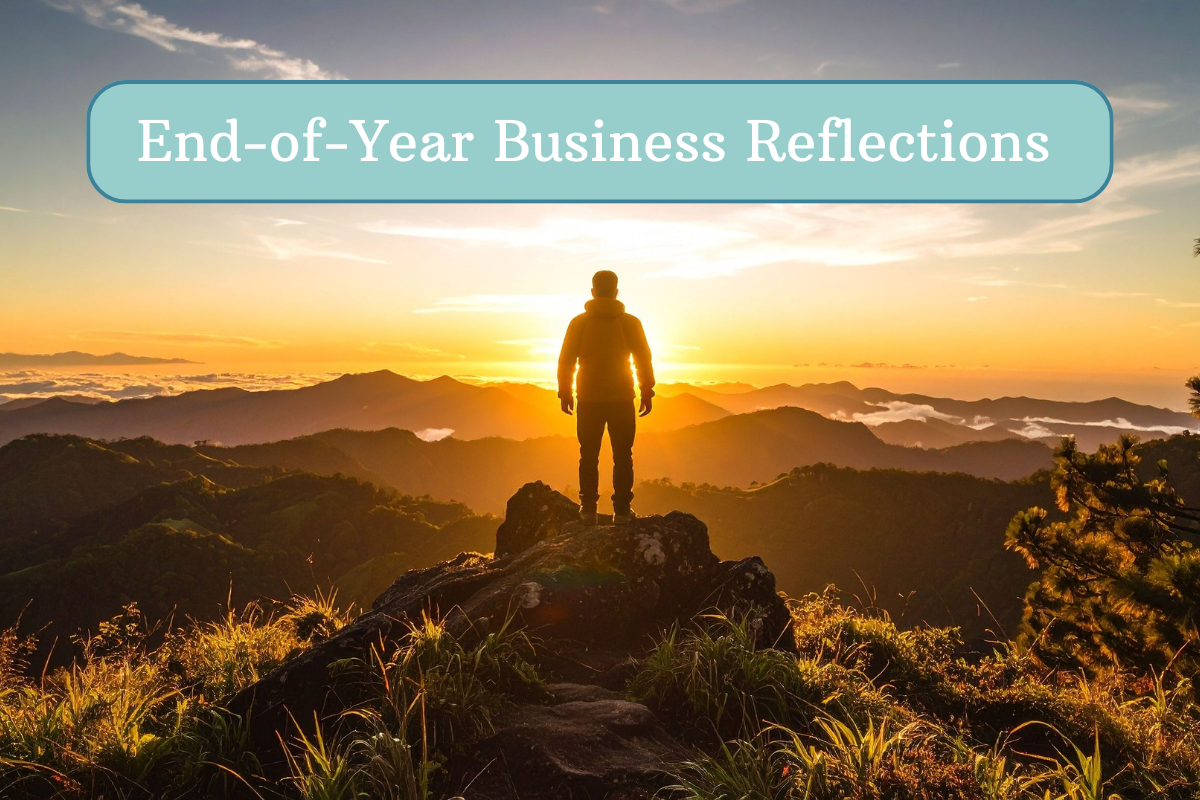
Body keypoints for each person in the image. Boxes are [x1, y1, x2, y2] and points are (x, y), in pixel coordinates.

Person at [558, 270, 655, 525]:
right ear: (616, 291)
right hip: (622, 397)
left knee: (588, 455)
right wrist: (647, 390)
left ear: (593, 291)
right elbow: (643, 358)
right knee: (623, 455)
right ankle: (622, 512)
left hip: (589, 398)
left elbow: (566, 359)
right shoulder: (631, 322)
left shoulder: (579, 323)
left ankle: (588, 510)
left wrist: (565, 391)